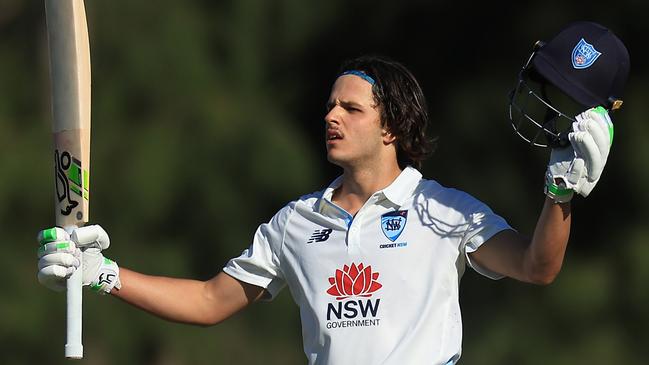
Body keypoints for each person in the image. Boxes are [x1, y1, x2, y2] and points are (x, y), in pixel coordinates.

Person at [37, 21, 627, 365]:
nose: (331, 117)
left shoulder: (443, 209)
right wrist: (103, 274)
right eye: (329, 106)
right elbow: (210, 302)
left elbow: (536, 266)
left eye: (350, 108)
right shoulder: (295, 222)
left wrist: (561, 196)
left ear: (391, 125)